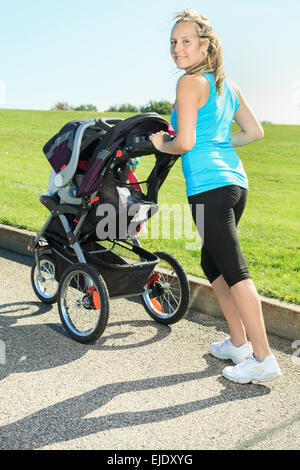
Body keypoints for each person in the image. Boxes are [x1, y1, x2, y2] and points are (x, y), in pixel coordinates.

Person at [149, 8, 282, 384]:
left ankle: (263, 358)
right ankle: (239, 344)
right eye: (173, 42)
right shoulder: (228, 85)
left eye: (186, 41)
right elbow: (253, 132)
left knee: (236, 273)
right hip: (235, 184)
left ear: (206, 45)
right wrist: (220, 141)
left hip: (209, 187)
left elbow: (185, 142)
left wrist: (163, 143)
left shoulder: (190, 83)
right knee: (214, 266)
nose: (177, 49)